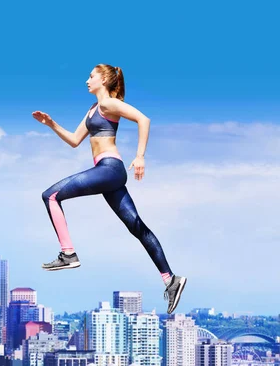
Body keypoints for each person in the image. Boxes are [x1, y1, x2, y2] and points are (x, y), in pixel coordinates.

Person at [31, 64, 186, 314]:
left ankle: (68, 253)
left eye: (91, 76)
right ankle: (170, 279)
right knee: (137, 226)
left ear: (103, 79)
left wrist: (140, 156)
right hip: (108, 173)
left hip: (110, 168)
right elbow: (74, 140)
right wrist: (51, 124)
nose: (87, 80)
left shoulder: (108, 104)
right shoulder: (94, 109)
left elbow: (143, 119)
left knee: (50, 195)